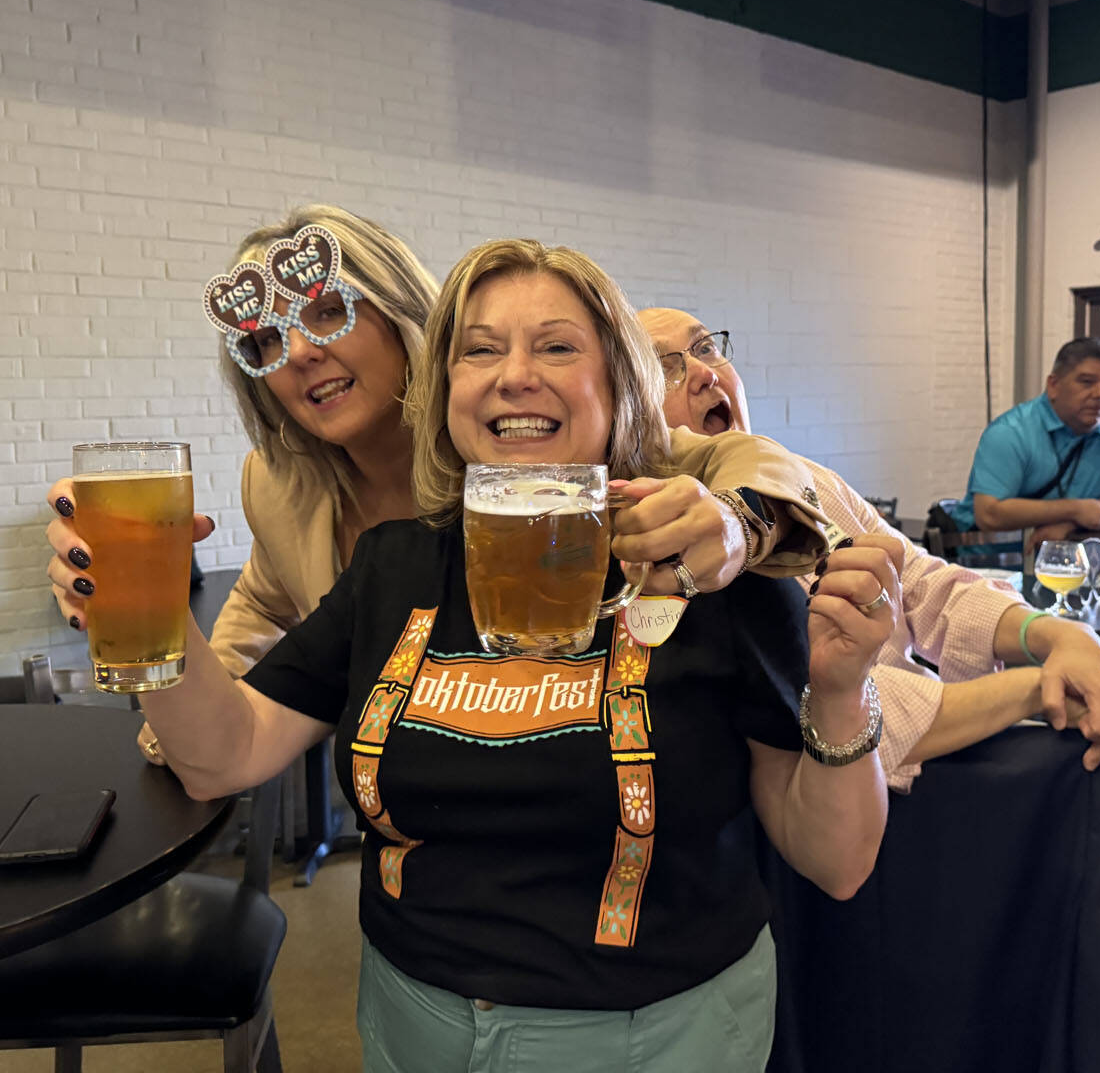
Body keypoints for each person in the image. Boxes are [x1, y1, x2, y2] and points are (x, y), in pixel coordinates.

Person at [76, 239, 895, 1072]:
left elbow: (836, 863)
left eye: (557, 346)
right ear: (445, 393)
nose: (513, 375)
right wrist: (151, 611)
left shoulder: (709, 563)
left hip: (655, 1036)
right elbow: (228, 753)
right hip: (411, 1018)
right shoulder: (393, 564)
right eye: (479, 349)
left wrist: (839, 691)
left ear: (620, 383)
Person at [45, 206, 827, 766]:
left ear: (405, 316)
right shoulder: (282, 485)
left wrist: (739, 522)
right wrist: (166, 668)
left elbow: (732, 461)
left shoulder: (522, 458)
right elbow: (266, 606)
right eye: (268, 340)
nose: (301, 354)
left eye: (328, 312)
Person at [639, 306, 1100, 1036]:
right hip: (921, 827)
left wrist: (1049, 633)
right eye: (668, 367)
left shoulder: (801, 476)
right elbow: (853, 703)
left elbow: (926, 580)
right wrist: (1036, 682)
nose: (708, 374)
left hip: (1003, 757)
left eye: (708, 348)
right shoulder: (686, 548)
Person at [952, 336, 1100, 545]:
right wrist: (1075, 509)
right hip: (995, 565)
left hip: (1073, 562)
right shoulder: (1010, 432)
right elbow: (989, 514)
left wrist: (1069, 525)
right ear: (1053, 385)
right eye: (1087, 382)